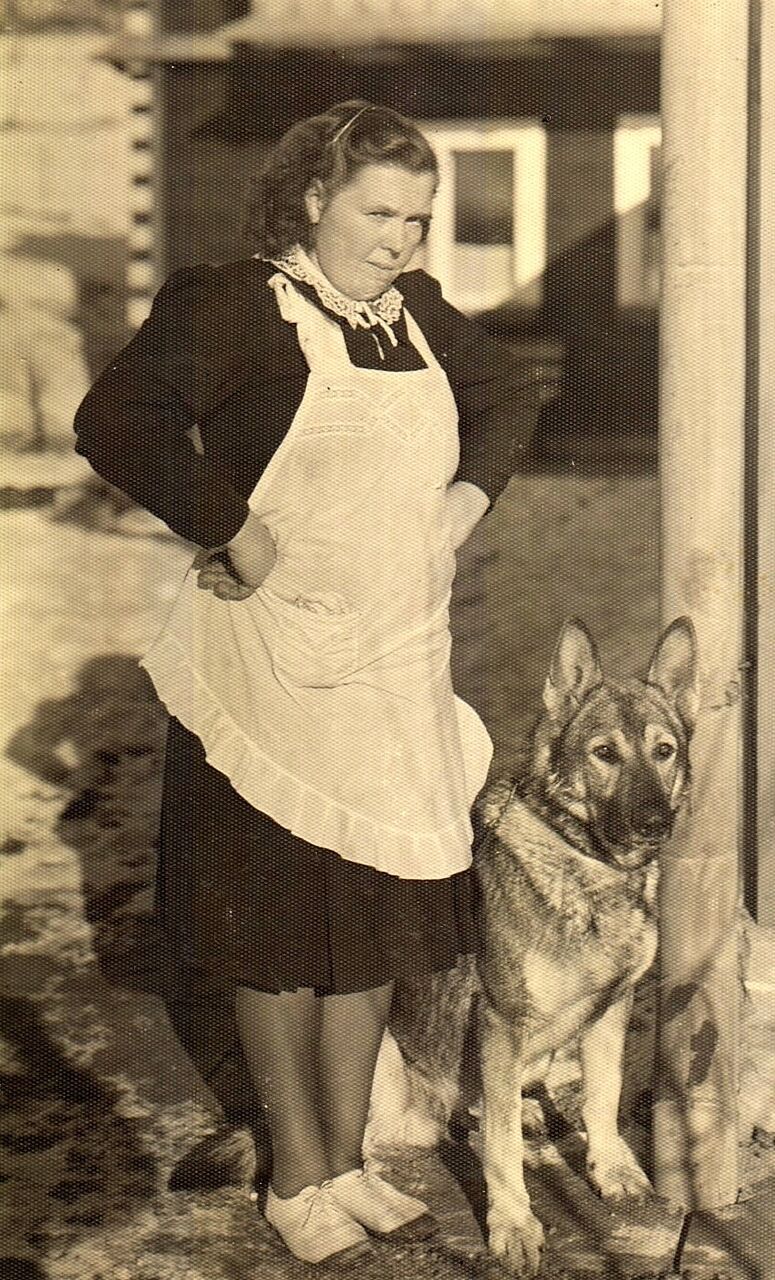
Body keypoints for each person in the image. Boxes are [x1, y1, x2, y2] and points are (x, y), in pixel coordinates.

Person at [74, 100, 539, 1266]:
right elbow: (117, 415)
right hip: (273, 670)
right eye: (378, 213)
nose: (400, 240)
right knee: (280, 932)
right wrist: (232, 528)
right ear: (313, 199)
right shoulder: (238, 303)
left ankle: (345, 1160)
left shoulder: (412, 313)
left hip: (393, 668)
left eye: (418, 219)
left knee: (369, 929)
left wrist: (462, 503)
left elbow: (510, 392)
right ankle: (294, 1175)